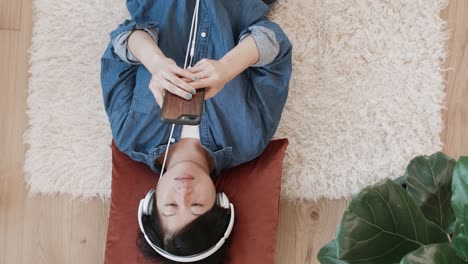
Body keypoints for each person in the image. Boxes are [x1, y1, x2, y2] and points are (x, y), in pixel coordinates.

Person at [100, 0, 292, 263]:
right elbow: (275, 43)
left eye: (170, 207)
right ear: (219, 204)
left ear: (150, 202)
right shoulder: (248, 140)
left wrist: (155, 63)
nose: (184, 192)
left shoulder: (130, 135)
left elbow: (120, 41)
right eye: (197, 206)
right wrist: (227, 67)